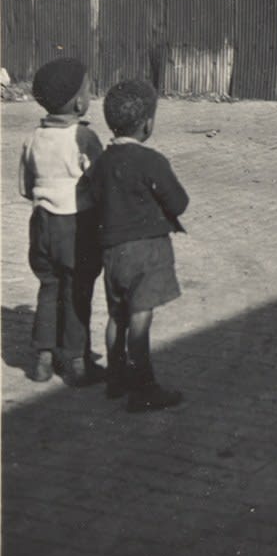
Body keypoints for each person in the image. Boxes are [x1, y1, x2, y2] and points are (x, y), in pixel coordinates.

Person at [79, 79, 189, 412]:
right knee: (140, 319)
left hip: (112, 252)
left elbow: (91, 197)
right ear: (147, 124)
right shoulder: (151, 161)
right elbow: (179, 202)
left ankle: (116, 377)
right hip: (147, 253)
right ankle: (145, 387)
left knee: (118, 315)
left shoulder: (101, 163)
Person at [19, 56, 104, 386]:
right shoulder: (84, 139)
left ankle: (42, 358)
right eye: (87, 90)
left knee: (48, 287)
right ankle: (76, 361)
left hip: (41, 223)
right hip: (75, 226)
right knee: (76, 291)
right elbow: (99, 182)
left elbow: (25, 187)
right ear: (80, 102)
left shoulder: (33, 139)